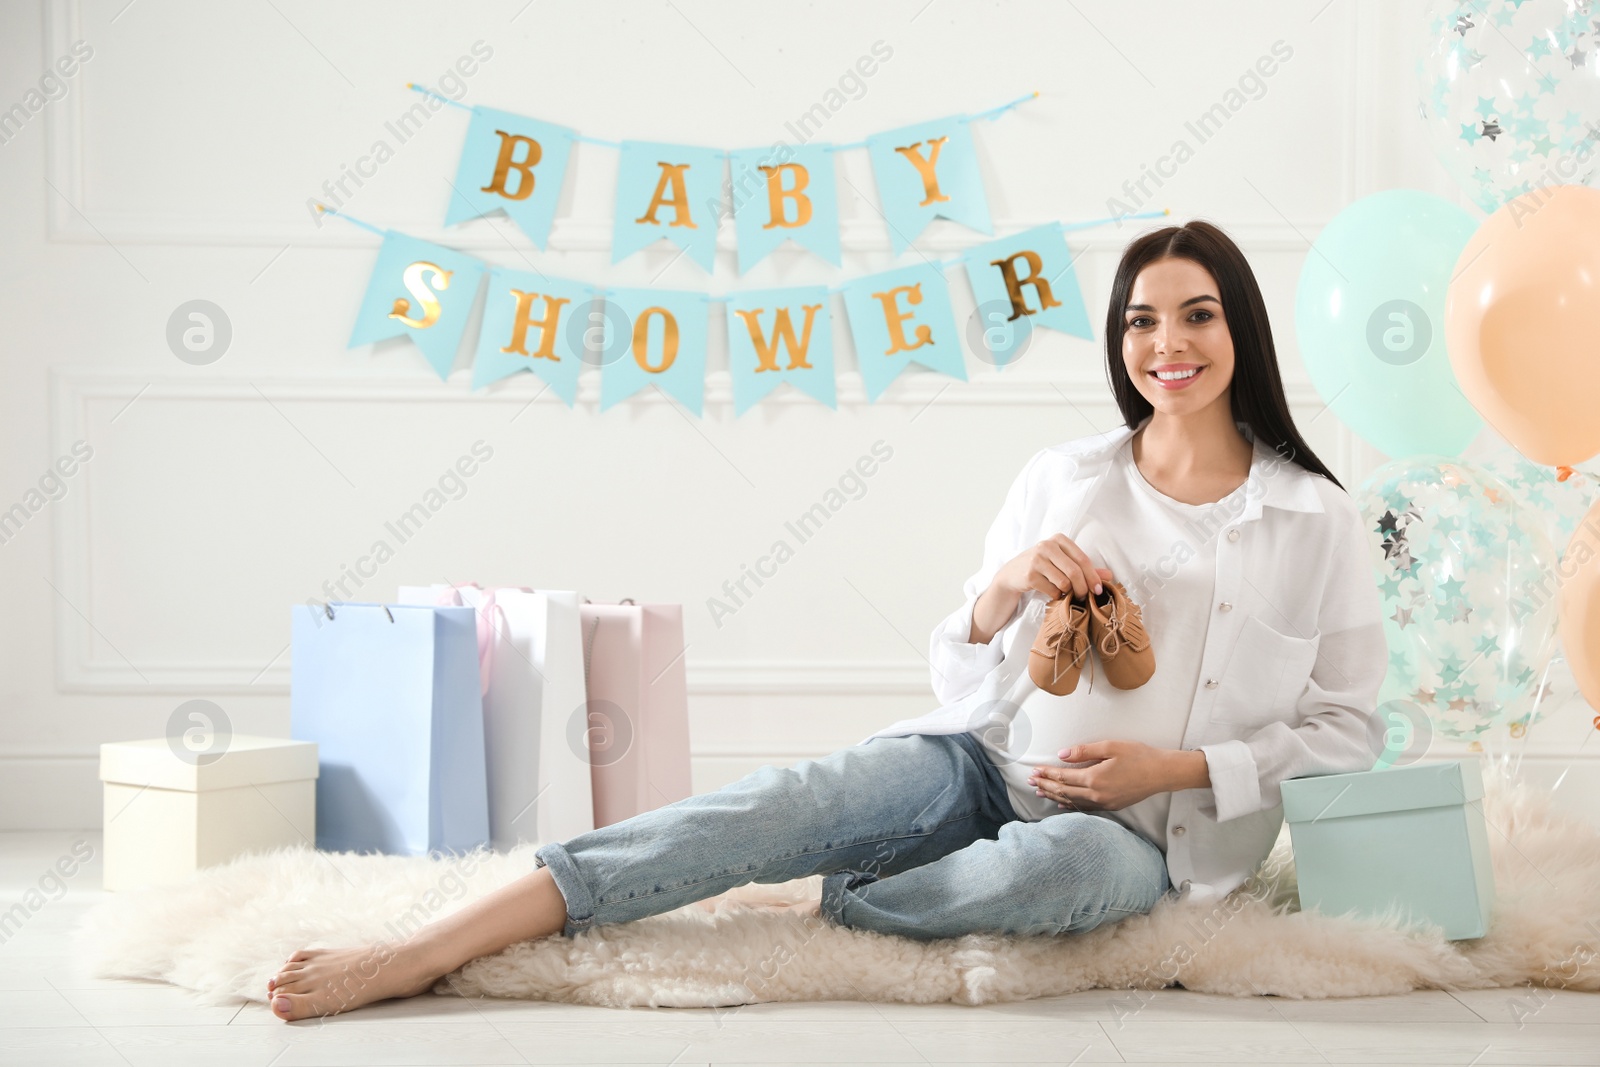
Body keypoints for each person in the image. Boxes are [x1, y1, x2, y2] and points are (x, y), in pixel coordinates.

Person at [265, 219, 1386, 1022]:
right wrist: (999, 591)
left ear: (1240, 328)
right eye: (1141, 320)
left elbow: (1346, 730)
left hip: (1138, 839)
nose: (1165, 344)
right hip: (988, 765)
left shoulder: (1312, 517)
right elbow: (966, 678)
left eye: (1197, 314)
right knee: (772, 801)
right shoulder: (1066, 474)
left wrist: (1172, 766)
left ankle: (837, 893)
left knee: (1040, 880)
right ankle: (421, 947)